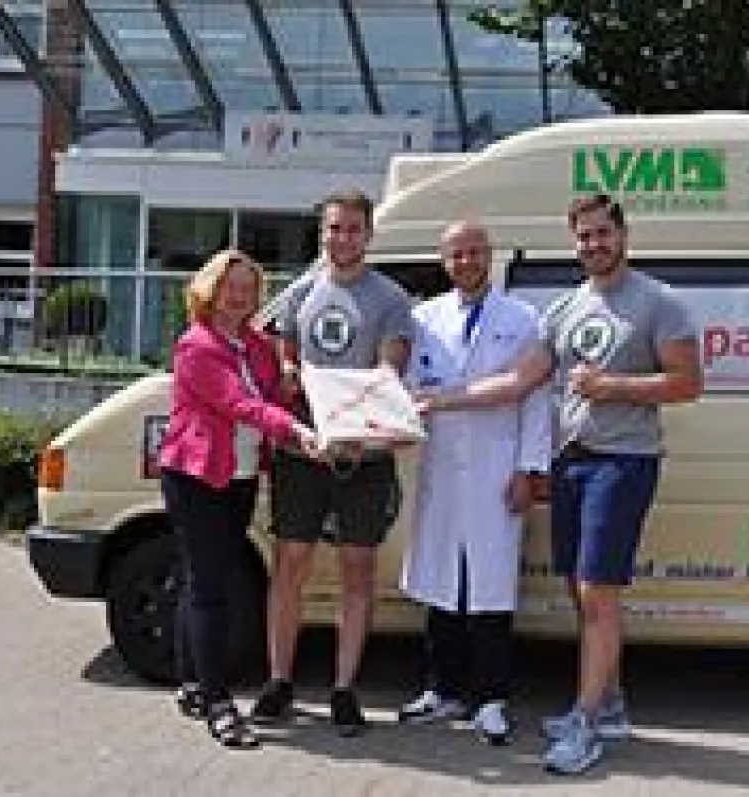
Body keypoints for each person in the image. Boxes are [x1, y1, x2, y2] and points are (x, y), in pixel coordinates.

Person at [417, 194, 703, 774]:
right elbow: (517, 383)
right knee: (583, 593)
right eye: (584, 237)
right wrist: (438, 400)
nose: (594, 245)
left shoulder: (658, 302)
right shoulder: (565, 309)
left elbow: (688, 383)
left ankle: (587, 724)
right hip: (572, 462)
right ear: (573, 243)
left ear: (622, 235)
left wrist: (614, 386)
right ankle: (611, 706)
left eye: (603, 234)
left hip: (623, 461)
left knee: (598, 593)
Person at [252, 189, 414, 736]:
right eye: (333, 229)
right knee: (290, 563)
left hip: (361, 458)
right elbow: (285, 353)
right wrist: (291, 371)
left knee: (357, 570)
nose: (342, 238)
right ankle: (279, 682)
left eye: (352, 229)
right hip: (302, 452)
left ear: (368, 236)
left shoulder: (390, 298)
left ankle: (344, 688)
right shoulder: (300, 291)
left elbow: (390, 373)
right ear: (321, 233)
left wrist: (352, 427)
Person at [397, 220, 551, 746]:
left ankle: (491, 698)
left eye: (474, 252)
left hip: (495, 468)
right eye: (456, 254)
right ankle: (442, 689)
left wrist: (530, 468)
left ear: (491, 256)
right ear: (444, 262)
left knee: (489, 587)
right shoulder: (424, 320)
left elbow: (535, 399)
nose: (465, 261)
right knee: (441, 581)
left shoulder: (523, 318)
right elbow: (408, 392)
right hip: (441, 467)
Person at [158, 249, 318, 749]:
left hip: (241, 474)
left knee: (203, 577)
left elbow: (273, 393)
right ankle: (219, 704)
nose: (241, 297)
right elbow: (241, 404)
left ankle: (191, 682)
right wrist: (294, 429)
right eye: (232, 287)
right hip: (198, 477)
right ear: (211, 290)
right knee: (210, 589)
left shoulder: (255, 344)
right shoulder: (196, 346)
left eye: (250, 288)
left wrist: (293, 384)